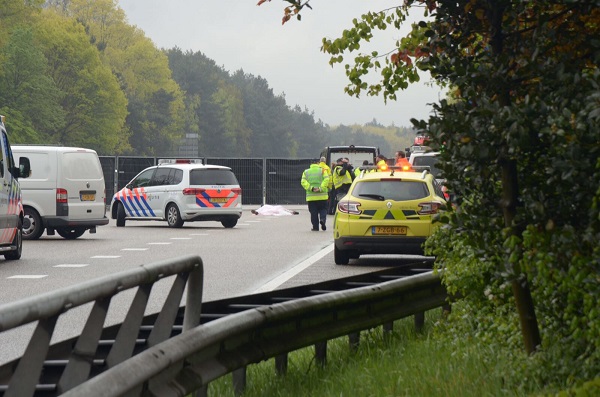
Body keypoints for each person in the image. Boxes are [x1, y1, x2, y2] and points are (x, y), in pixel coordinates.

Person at [301, 158, 330, 231]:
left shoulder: (306, 172)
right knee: (323, 209)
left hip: (311, 197)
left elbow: (303, 182)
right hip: (322, 196)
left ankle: (315, 227)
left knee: (313, 212)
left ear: (311, 164)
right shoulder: (323, 170)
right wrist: (320, 188)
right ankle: (322, 220)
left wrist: (311, 188)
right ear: (318, 163)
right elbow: (326, 179)